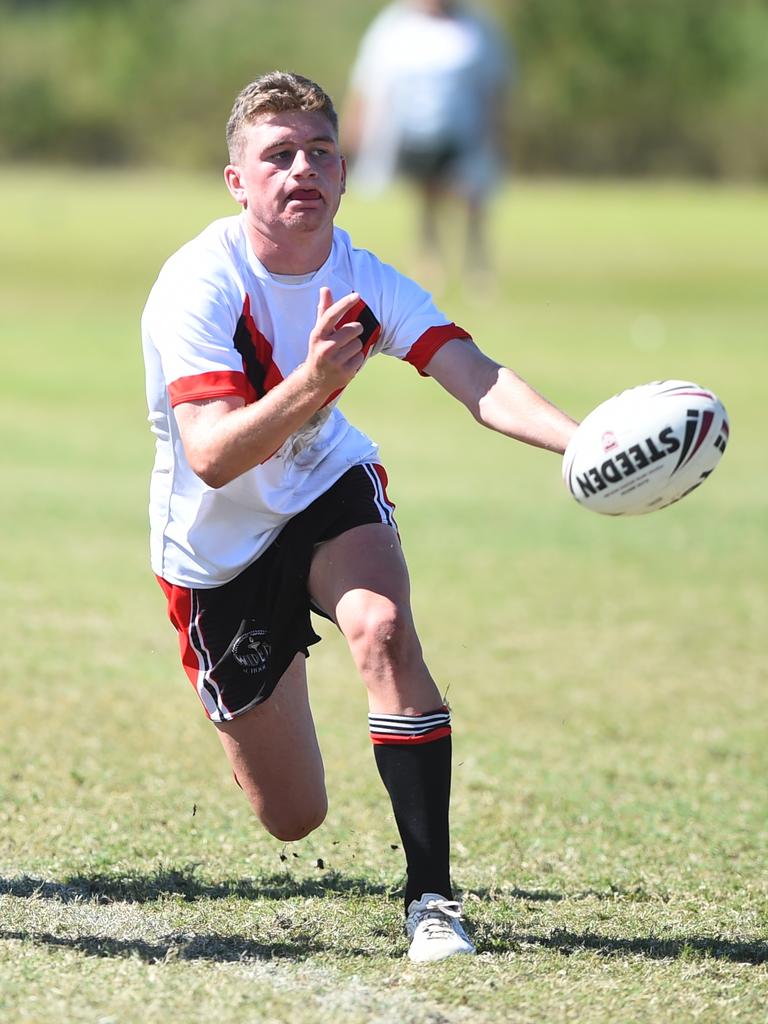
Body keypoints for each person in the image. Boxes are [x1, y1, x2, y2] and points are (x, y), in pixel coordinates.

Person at [141, 71, 575, 964]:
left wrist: (582, 442)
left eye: (321, 153)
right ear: (237, 181)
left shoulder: (364, 279)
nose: (302, 169)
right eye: (279, 155)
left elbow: (474, 374)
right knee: (294, 817)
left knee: (383, 629)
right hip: (216, 542)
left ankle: (433, 901)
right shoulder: (198, 284)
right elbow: (216, 454)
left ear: (345, 174)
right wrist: (313, 383)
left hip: (323, 484)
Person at [343, 0, 511, 282]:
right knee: (426, 197)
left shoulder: (476, 27)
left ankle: (477, 266)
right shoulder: (393, 25)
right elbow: (368, 81)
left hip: (463, 131)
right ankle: (429, 263)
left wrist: (498, 129)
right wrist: (353, 131)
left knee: (472, 195)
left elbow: (495, 84)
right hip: (415, 131)